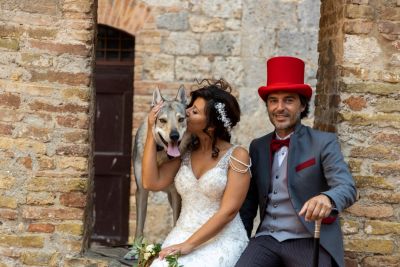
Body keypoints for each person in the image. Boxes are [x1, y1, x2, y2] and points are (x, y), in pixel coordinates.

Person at [235, 56, 357, 267]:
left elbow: (347, 186)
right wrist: (239, 240)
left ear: (302, 105)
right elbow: (249, 202)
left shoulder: (323, 142)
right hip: (266, 239)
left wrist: (327, 198)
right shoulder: (258, 146)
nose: (279, 107)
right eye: (273, 100)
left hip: (308, 239)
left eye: (288, 100)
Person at [142, 79, 251, 267]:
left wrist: (189, 245)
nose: (186, 112)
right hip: (182, 233)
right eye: (190, 108)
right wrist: (152, 132)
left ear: (211, 125)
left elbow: (228, 211)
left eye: (194, 111)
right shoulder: (184, 153)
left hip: (221, 238)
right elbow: (151, 182)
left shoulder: (238, 155)